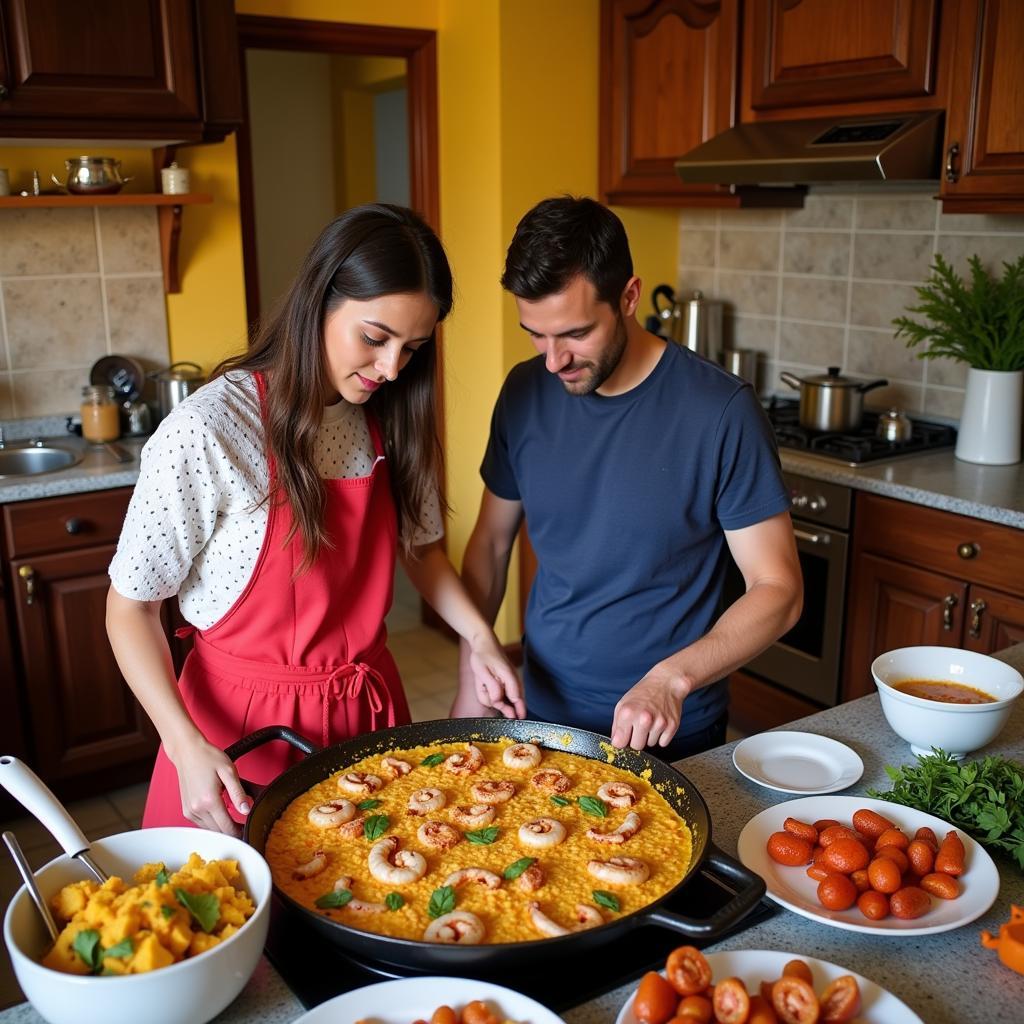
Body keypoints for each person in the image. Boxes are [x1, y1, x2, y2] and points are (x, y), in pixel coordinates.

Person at [107, 203, 523, 835]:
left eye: (411, 349)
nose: (390, 369)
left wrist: (479, 637)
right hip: (235, 737)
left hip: (365, 720)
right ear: (319, 300)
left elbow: (421, 549)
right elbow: (129, 609)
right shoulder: (211, 429)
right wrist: (185, 745)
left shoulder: (390, 415)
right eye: (375, 338)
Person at [454, 196, 802, 758]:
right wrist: (472, 665)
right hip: (538, 717)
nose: (553, 360)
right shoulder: (522, 393)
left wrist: (673, 678)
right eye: (535, 334)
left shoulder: (719, 410)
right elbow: (491, 545)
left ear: (630, 296)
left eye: (574, 333)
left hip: (668, 729)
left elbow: (779, 591)